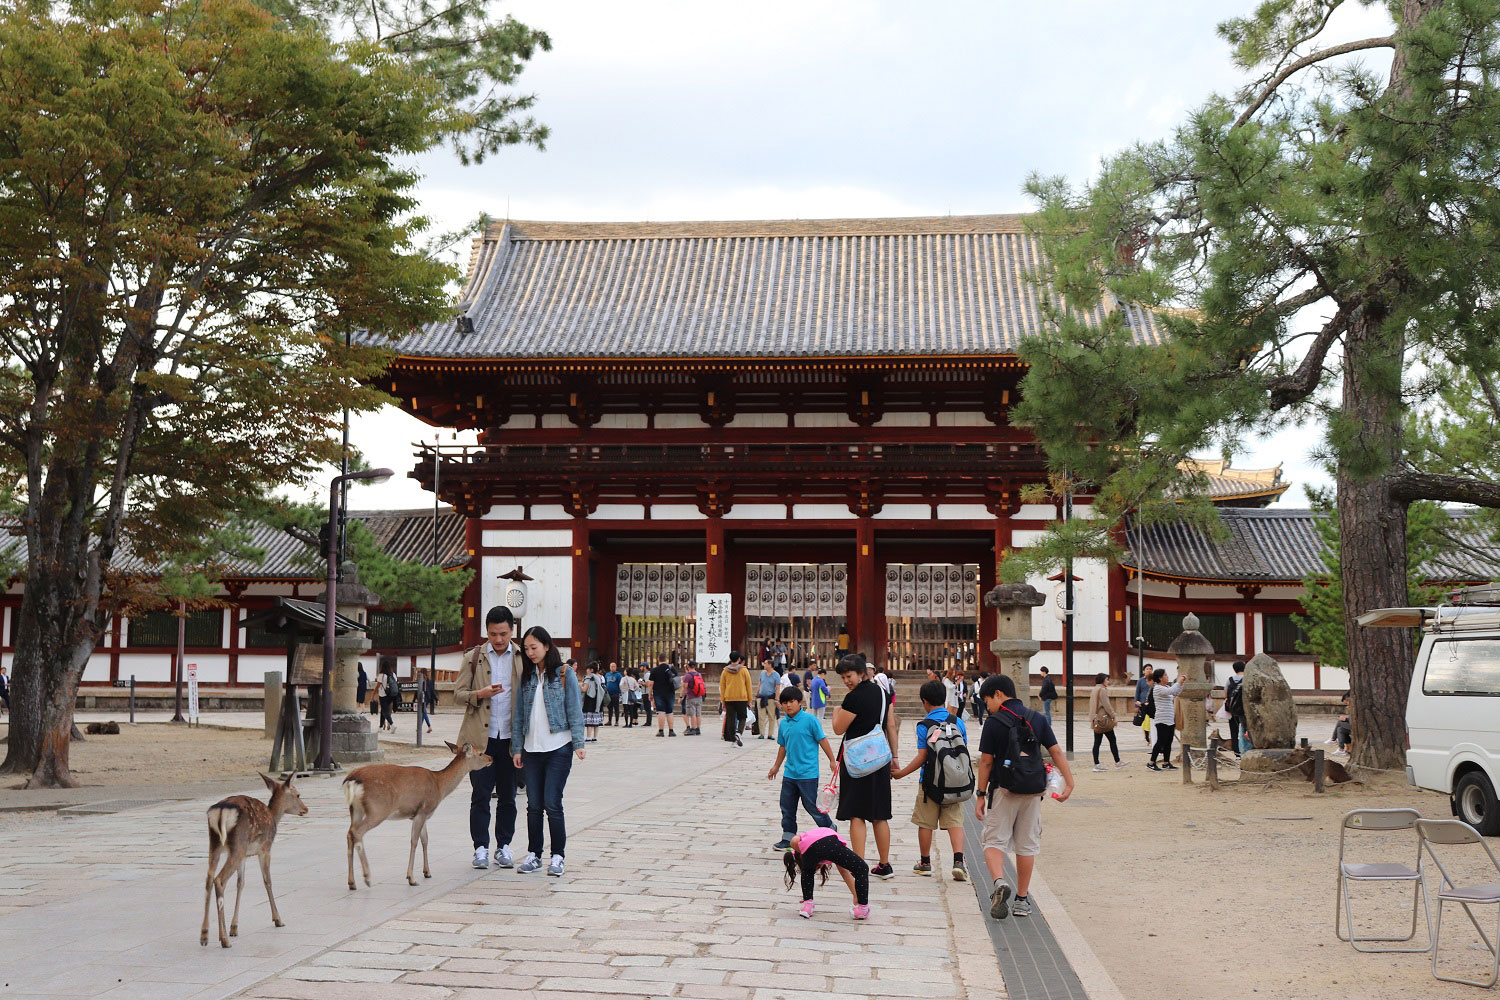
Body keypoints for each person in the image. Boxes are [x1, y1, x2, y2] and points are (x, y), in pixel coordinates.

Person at [975, 673, 1074, 920]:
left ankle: (999, 882)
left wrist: (979, 795)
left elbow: (986, 763)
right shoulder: (1037, 718)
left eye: (987, 701)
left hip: (1003, 790)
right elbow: (1056, 751)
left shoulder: (994, 722)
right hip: (1033, 791)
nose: (987, 707)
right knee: (1026, 845)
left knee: (993, 842)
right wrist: (1069, 782)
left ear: (998, 694)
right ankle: (1021, 900)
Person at [510, 625, 585, 877]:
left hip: (558, 748)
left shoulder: (564, 673)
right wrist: (517, 748)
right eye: (527, 649)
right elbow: (519, 714)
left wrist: (579, 742)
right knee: (533, 805)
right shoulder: (527, 677)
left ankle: (558, 856)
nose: (531, 653)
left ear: (546, 646)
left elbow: (574, 708)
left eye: (534, 647)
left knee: (552, 803)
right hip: (532, 750)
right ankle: (534, 854)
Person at [454, 605, 525, 870]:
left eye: (503, 634)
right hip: (479, 741)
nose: (498, 639)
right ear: (486, 631)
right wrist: (479, 694)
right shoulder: (473, 657)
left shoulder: (521, 656)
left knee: (508, 796)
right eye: (493, 634)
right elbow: (458, 694)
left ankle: (504, 846)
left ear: (511, 631)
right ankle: (480, 848)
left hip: (509, 739)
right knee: (480, 795)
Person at [891, 679, 968, 881]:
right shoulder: (957, 721)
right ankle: (959, 862)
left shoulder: (924, 725)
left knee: (925, 822)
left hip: (930, 781)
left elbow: (923, 756)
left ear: (924, 701)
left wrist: (901, 773)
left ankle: (925, 863)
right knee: (955, 821)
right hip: (955, 781)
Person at [831, 653, 897, 881]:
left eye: (849, 676)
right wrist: (895, 756)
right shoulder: (883, 692)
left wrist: (835, 712)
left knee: (857, 814)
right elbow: (890, 724)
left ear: (861, 673)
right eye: (843, 678)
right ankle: (884, 864)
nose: (846, 681)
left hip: (858, 762)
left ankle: (858, 866)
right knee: (880, 814)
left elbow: (839, 728)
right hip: (880, 758)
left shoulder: (854, 698)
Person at [767, 686, 838, 850]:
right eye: (784, 702)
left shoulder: (810, 720)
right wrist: (776, 766)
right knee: (787, 806)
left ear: (800, 702)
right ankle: (788, 837)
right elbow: (783, 747)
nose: (788, 705)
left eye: (792, 702)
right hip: (790, 774)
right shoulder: (784, 723)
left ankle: (829, 829)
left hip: (808, 774)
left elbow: (823, 740)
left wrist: (832, 760)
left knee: (812, 806)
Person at [782, 826, 871, 920]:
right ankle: (863, 908)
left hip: (813, 846)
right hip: (830, 841)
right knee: (862, 868)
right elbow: (844, 872)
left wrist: (803, 853)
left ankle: (807, 905)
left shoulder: (801, 849)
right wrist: (856, 896)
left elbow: (794, 841)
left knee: (807, 872)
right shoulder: (830, 849)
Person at [1088, 672, 1125, 771]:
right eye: (1107, 679)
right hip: (1103, 719)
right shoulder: (1102, 690)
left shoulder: (1095, 689)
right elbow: (1107, 705)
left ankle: (1097, 764)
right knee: (1112, 740)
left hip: (1096, 719)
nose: (1108, 681)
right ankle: (1117, 762)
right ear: (1103, 680)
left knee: (1097, 742)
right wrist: (1114, 716)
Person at [1146, 668, 1181, 771]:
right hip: (1161, 718)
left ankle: (1166, 762)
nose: (1167, 676)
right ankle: (1151, 762)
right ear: (1160, 678)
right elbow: (1170, 691)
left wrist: (1181, 684)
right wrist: (1178, 682)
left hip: (1170, 717)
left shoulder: (1166, 686)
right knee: (1160, 741)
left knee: (1169, 741)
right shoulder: (1157, 688)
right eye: (1165, 675)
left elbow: (1176, 692)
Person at [719, 651, 754, 745]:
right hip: (742, 698)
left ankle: (733, 739)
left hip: (729, 698)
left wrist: (723, 701)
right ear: (739, 659)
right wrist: (750, 700)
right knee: (742, 717)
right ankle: (739, 733)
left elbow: (722, 687)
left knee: (730, 719)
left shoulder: (725, 671)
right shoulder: (744, 670)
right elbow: (748, 686)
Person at [649, 660, 678, 737]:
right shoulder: (671, 668)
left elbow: (651, 684)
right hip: (670, 693)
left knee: (661, 711)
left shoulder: (655, 670)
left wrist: (650, 694)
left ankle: (661, 731)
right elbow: (676, 679)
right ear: (666, 660)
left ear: (659, 660)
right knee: (669, 712)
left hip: (658, 693)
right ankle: (671, 731)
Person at [1224, 660, 1246, 756]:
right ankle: (1245, 750)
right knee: (1245, 730)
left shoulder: (1230, 680)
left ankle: (1236, 752)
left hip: (1232, 709)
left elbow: (1225, 694)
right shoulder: (1247, 679)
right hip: (1244, 710)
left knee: (1234, 731)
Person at [580, 661, 605, 742]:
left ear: (591, 670)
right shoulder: (598, 677)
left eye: (588, 669)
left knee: (589, 720)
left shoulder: (588, 678)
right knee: (596, 720)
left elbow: (584, 689)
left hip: (589, 700)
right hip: (598, 700)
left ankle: (588, 736)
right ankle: (595, 737)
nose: (586, 670)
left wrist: (579, 685)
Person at [756, 658, 780, 741]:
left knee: (771, 716)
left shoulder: (776, 675)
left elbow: (777, 688)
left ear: (770, 665)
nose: (764, 665)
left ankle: (770, 734)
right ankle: (762, 733)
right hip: (761, 697)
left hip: (770, 698)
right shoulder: (762, 673)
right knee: (761, 716)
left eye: (765, 663)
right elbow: (760, 683)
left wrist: (776, 699)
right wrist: (757, 694)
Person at [682, 661, 706, 735]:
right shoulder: (699, 674)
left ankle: (693, 729)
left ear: (688, 666)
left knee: (692, 714)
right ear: (695, 666)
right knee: (698, 713)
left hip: (691, 697)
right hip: (699, 696)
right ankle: (698, 729)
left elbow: (684, 687)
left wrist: (681, 696)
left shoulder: (688, 676)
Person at [1133, 666, 1153, 744]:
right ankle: (1146, 736)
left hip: (1151, 705)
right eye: (1147, 669)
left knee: (1150, 721)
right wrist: (1136, 704)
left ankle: (1151, 736)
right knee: (1144, 721)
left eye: (1150, 669)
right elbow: (1137, 692)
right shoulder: (1141, 681)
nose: (1149, 670)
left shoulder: (1154, 681)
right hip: (1142, 704)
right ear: (1143, 671)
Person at [378, 665, 399, 731]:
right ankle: (381, 727)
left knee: (384, 711)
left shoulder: (381, 675)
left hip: (383, 695)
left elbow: (377, 685)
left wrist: (373, 694)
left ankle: (392, 724)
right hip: (392, 694)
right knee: (384, 710)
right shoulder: (393, 674)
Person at [415, 667, 434, 735]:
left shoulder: (421, 680)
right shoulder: (429, 680)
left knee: (423, 712)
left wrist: (414, 698)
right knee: (423, 712)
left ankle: (429, 726)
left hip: (422, 698)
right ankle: (419, 727)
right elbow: (432, 690)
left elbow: (417, 690)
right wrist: (436, 699)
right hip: (427, 698)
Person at [604, 661, 623, 727]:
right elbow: (606, 683)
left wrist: (620, 692)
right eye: (611, 666)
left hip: (616, 693)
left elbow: (621, 683)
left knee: (616, 708)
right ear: (610, 667)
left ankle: (616, 721)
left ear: (616, 667)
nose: (613, 668)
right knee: (609, 708)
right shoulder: (607, 674)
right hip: (608, 693)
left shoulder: (618, 675)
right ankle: (609, 720)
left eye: (614, 666)